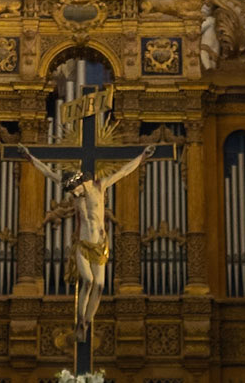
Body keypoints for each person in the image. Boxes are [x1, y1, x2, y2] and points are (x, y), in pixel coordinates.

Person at [24, 142, 156, 338]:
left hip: (99, 245)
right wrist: (30, 157)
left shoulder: (100, 186)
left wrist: (143, 156)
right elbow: (48, 172)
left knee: (100, 286)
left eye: (75, 191)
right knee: (87, 281)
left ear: (79, 182)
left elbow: (124, 172)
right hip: (83, 244)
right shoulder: (75, 192)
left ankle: (87, 321)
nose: (74, 195)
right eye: (72, 193)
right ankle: (79, 321)